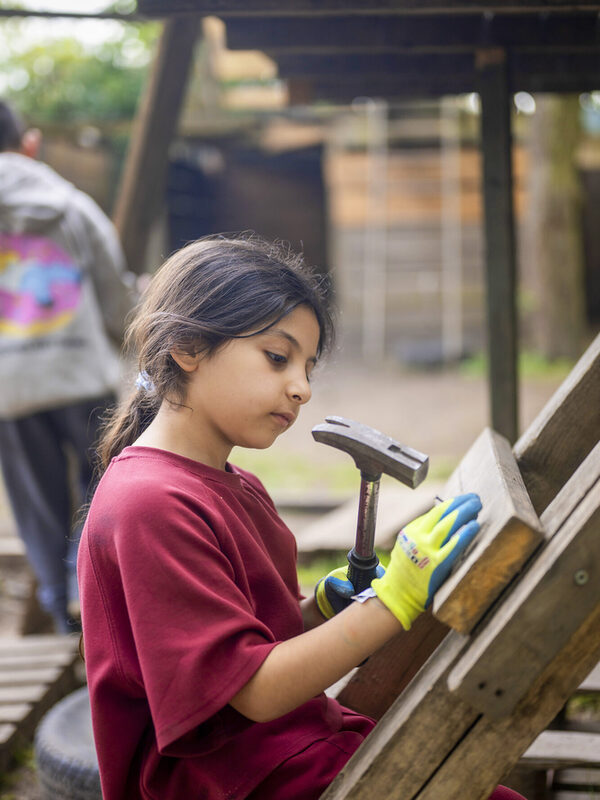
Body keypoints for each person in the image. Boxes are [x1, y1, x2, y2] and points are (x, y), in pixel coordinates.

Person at [78, 235, 527, 800]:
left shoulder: (235, 486)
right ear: (187, 346)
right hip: (229, 781)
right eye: (277, 357)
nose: (302, 388)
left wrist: (316, 611)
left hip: (286, 749)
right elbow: (254, 691)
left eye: (308, 366)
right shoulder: (151, 505)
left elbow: (250, 638)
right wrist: (395, 601)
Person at [0, 99, 134, 633]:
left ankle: (63, 612)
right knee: (101, 480)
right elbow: (113, 294)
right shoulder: (70, 204)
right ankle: (89, 585)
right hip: (81, 373)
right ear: (29, 142)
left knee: (37, 505)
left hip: (9, 388)